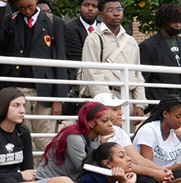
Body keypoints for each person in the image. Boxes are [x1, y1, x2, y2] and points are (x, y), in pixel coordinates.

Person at [0, 88, 76, 183]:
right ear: (3, 106)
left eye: (23, 105)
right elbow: (25, 175)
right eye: (16, 105)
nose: (22, 110)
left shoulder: (23, 132)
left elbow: (30, 172)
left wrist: (22, 177)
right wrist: (20, 176)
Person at [94, 92, 175, 183]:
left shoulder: (119, 131)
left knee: (163, 181)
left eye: (120, 108)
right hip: (110, 180)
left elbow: (136, 159)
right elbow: (123, 166)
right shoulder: (95, 135)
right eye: (114, 109)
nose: (120, 113)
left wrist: (162, 171)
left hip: (123, 176)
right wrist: (154, 173)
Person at [0, 0, 67, 138]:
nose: (27, 11)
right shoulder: (11, 20)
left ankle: (44, 161)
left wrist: (59, 99)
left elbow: (60, 58)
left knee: (45, 137)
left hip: (45, 89)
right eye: (22, 8)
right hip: (17, 87)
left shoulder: (54, 22)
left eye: (30, 6)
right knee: (23, 134)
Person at [80, 0, 145, 116]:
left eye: (119, 9)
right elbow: (93, 74)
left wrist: (140, 104)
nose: (116, 13)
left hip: (129, 100)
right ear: (101, 13)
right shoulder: (94, 39)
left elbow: (137, 74)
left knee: (126, 134)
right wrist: (108, 103)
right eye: (110, 10)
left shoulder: (131, 41)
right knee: (106, 133)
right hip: (106, 99)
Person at [138, 4, 181, 103]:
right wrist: (151, 102)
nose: (178, 25)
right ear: (163, 22)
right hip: (161, 101)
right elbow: (143, 78)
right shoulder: (148, 46)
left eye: (179, 21)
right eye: (174, 21)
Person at [65, 0, 100, 83]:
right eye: (86, 5)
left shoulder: (103, 28)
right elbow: (77, 56)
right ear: (79, 8)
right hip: (80, 76)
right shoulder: (70, 29)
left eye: (94, 6)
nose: (90, 9)